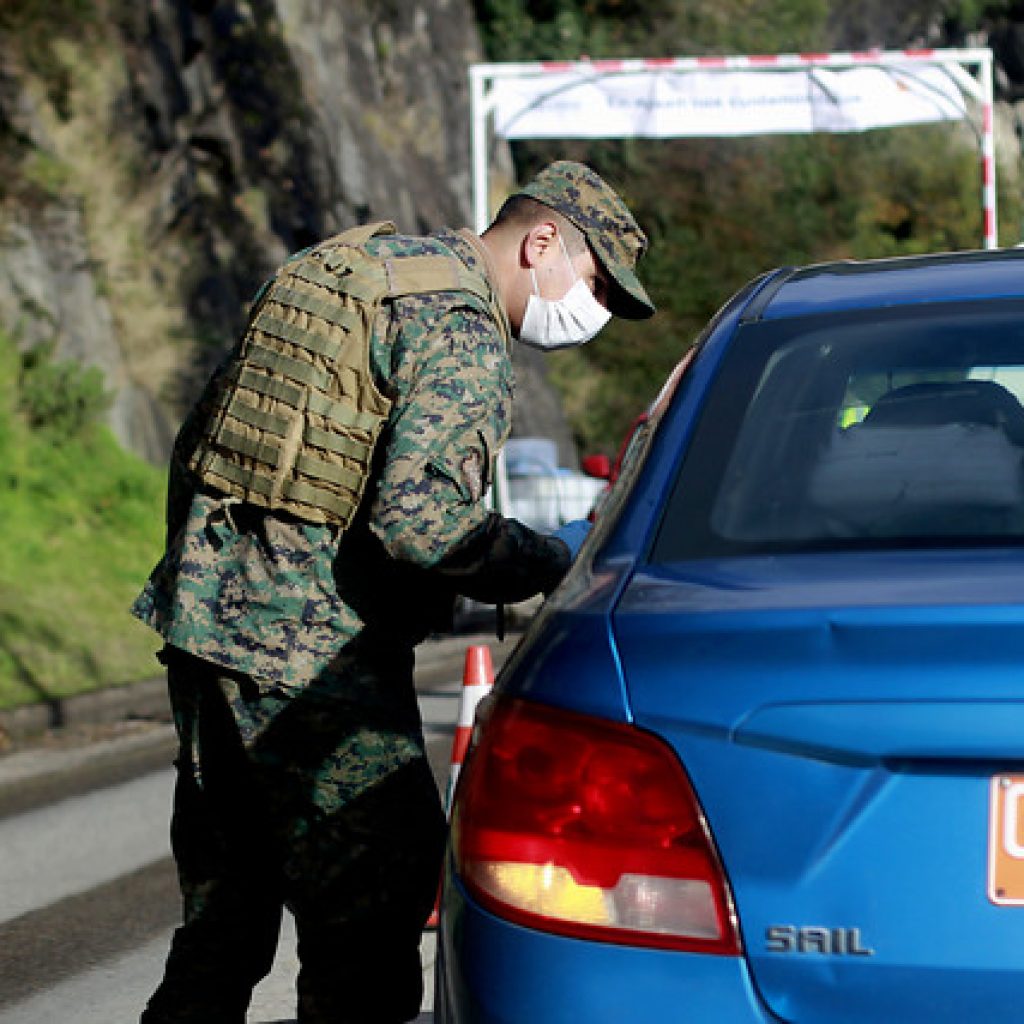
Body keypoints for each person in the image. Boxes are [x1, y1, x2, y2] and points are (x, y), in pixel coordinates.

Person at [133, 159, 654, 1024]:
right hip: (313, 657)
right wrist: (556, 558)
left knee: (224, 920)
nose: (592, 311)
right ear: (542, 242)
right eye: (596, 284)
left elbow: (211, 440)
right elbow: (422, 524)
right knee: (372, 923)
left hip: (206, 623)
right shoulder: (461, 327)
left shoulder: (351, 270)